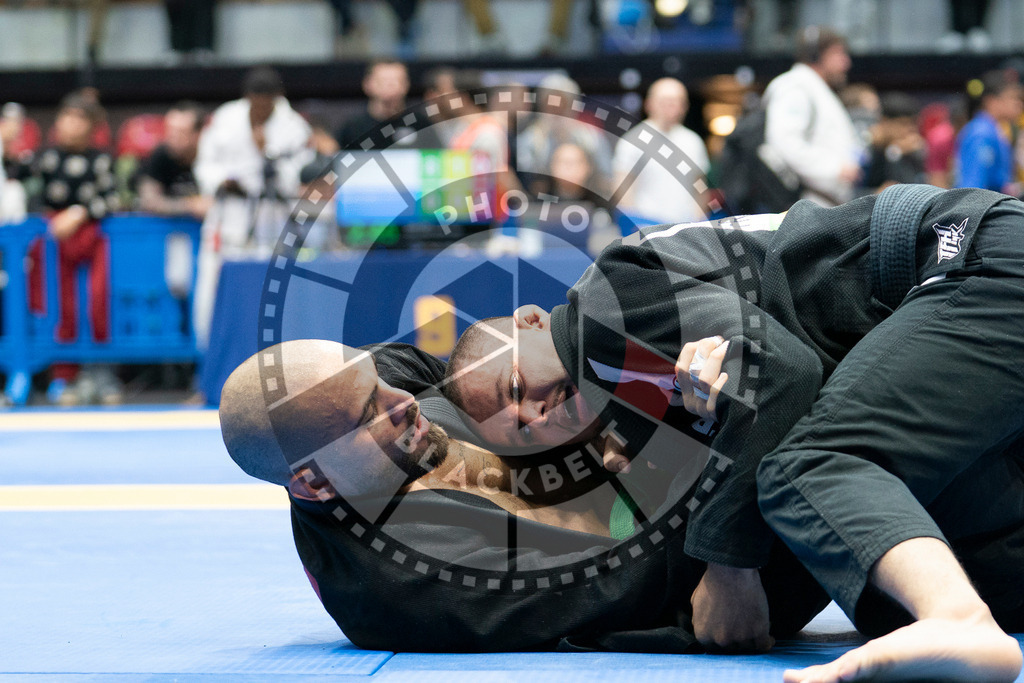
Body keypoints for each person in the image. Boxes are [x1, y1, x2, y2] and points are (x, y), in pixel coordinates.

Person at [444, 184, 1024, 679]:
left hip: (962, 258)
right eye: (524, 431)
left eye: (515, 389)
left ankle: (957, 618)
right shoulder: (631, 409)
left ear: (529, 320)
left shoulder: (601, 304)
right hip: (963, 300)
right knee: (883, 590)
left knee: (806, 470)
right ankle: (963, 612)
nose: (538, 415)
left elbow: (783, 376)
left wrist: (728, 569)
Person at [220, 338, 829, 653]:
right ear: (314, 483)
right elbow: (625, 583)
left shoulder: (372, 402)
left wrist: (654, 379)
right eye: (370, 409)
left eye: (377, 379)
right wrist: (708, 450)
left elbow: (469, 366)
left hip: (667, 476)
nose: (398, 398)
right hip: (729, 559)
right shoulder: (406, 582)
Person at [192, 66, 312, 351]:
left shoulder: (294, 126)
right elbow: (204, 164)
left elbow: (299, 175)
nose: (259, 107)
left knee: (270, 293)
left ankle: (273, 359)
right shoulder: (225, 117)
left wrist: (266, 151)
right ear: (247, 97)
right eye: (254, 101)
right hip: (229, 214)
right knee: (213, 289)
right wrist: (223, 180)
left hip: (273, 217)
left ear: (276, 98)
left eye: (266, 102)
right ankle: (213, 364)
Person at [28, 93, 122, 405]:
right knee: (60, 307)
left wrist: (80, 212)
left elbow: (114, 199)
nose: (71, 124)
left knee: (98, 302)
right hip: (54, 244)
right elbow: (31, 199)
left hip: (92, 239)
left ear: (92, 126)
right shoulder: (45, 159)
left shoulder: (101, 160)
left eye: (80, 118)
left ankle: (101, 374)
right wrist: (52, 220)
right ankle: (62, 378)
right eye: (66, 116)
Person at [762, 26, 862, 207]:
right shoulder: (794, 85)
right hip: (804, 204)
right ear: (816, 55)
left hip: (824, 204)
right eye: (838, 54)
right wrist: (836, 169)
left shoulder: (815, 88)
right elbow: (785, 142)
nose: (846, 63)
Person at [612, 78, 709, 225]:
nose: (671, 106)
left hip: (685, 228)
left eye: (677, 101)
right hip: (646, 226)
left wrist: (697, 221)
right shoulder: (632, 141)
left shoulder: (693, 141)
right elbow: (623, 187)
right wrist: (636, 225)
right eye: (665, 100)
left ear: (685, 106)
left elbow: (700, 187)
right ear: (649, 104)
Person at [137, 102, 210, 220]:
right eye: (170, 130)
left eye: (181, 132)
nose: (172, 137)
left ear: (198, 133)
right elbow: (149, 202)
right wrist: (190, 205)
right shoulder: (160, 156)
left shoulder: (211, 156)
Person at [954, 70, 1022, 194]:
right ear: (991, 101)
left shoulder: (995, 129)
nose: (1019, 104)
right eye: (1013, 98)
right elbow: (972, 189)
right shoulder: (981, 133)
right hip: (980, 209)